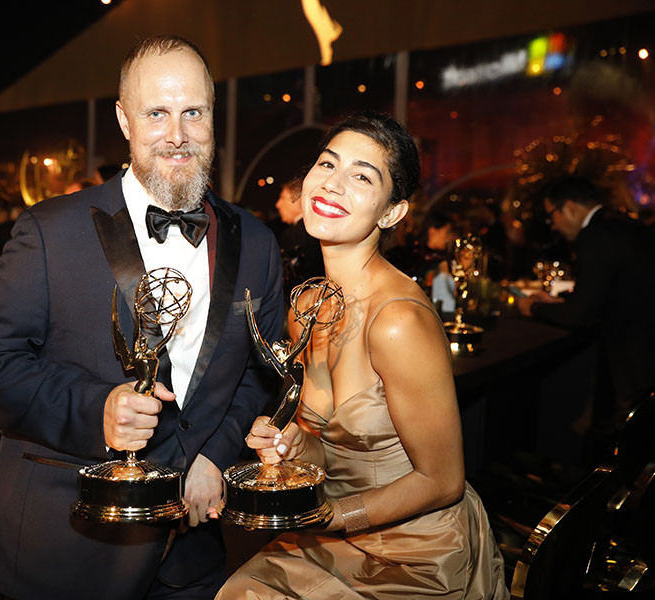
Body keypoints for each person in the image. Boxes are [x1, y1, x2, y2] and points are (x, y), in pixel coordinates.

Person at [0, 35, 283, 599]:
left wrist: (214, 454)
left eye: (193, 113)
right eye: (156, 113)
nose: (177, 135)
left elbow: (260, 368)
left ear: (213, 117)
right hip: (59, 548)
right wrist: (95, 408)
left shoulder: (255, 241)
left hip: (189, 552)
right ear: (124, 120)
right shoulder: (48, 231)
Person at [217, 112, 507, 599]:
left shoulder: (397, 321)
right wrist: (287, 443)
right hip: (333, 536)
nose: (332, 185)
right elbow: (323, 444)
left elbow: (443, 480)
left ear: (392, 212)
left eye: (361, 176)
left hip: (418, 555)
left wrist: (333, 516)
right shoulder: (309, 304)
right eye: (327, 165)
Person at [518, 175, 655, 420]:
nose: (552, 225)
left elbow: (580, 316)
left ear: (570, 206)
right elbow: (608, 291)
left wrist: (534, 307)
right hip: (645, 350)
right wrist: (564, 303)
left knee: (634, 436)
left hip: (637, 360)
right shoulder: (622, 224)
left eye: (552, 215)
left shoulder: (595, 235)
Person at [275, 177, 325, 295]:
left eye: (282, 198)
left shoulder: (294, 235)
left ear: (299, 201)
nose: (278, 204)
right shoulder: (321, 229)